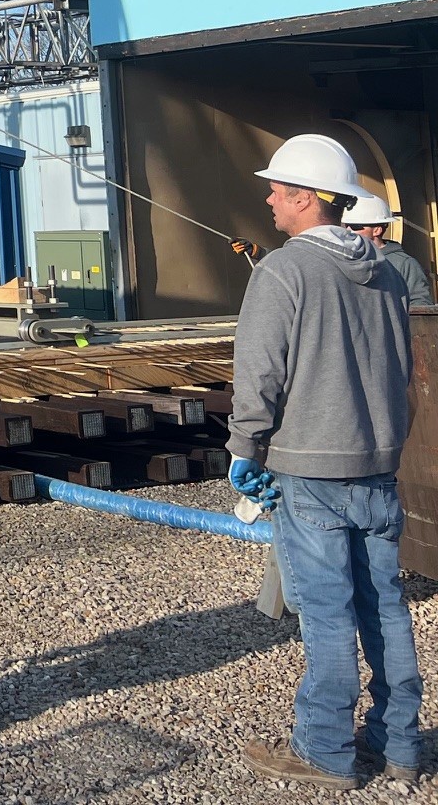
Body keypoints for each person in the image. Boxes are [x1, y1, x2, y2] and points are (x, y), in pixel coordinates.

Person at [229, 134, 422, 789]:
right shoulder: (389, 273)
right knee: (385, 608)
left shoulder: (282, 271)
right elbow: (405, 373)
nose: (269, 197)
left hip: (309, 472)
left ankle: (323, 752)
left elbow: (259, 378)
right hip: (377, 468)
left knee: (328, 612)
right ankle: (400, 745)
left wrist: (244, 453)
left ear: (308, 199)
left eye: (279, 189)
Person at [343, 192, 434, 308]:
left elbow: (420, 307)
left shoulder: (405, 264)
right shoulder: (344, 258)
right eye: (347, 225)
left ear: (377, 230)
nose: (349, 231)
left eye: (356, 226)